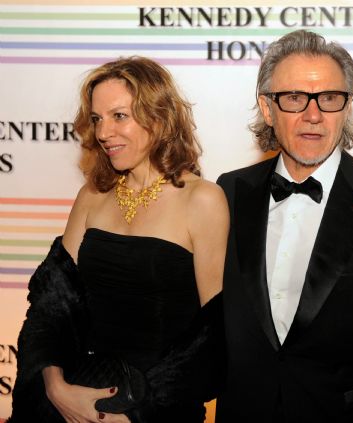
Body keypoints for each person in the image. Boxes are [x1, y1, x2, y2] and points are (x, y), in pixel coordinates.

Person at [216, 29, 353, 423]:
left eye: (330, 98)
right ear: (268, 109)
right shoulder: (228, 193)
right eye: (294, 98)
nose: (313, 114)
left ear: (346, 108)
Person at [9, 56, 229, 423]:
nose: (103, 132)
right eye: (97, 119)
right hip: (68, 403)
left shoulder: (202, 200)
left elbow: (212, 335)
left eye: (119, 116)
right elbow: (51, 307)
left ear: (159, 117)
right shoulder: (93, 194)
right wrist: (55, 387)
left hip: (153, 409)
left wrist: (130, 416)